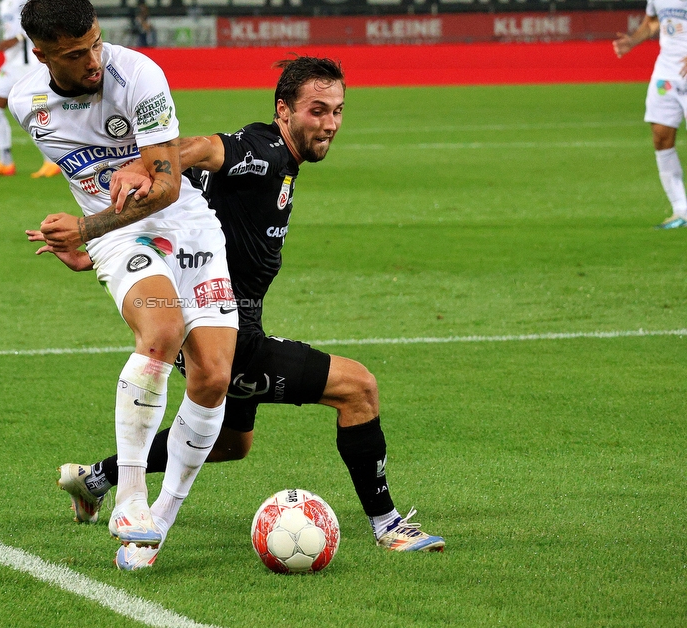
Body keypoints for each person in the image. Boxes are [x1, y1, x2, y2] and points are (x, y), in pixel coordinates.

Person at [49, 57, 445, 565]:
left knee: (233, 442)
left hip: (228, 322)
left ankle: (97, 479)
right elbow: (200, 148)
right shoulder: (263, 148)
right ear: (284, 110)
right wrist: (146, 166)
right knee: (359, 389)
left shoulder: (282, 161)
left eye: (338, 111)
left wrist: (109, 238)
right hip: (222, 328)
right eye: (317, 110)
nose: (329, 123)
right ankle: (390, 526)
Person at [8, 0, 237, 570]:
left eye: (94, 44)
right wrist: (88, 239)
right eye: (75, 55)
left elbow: (167, 185)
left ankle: (159, 518)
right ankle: (130, 499)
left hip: (186, 226)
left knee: (212, 377)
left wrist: (85, 229)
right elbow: (84, 181)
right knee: (160, 333)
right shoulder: (25, 105)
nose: (92, 62)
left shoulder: (139, 75)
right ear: (41, 53)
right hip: (119, 233)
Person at [614, 0, 687, 229]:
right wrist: (632, 41)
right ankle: (681, 211)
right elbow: (653, 21)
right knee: (660, 136)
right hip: (667, 71)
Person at [0, 0, 60, 179]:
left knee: (34, 112)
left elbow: (30, 27)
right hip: (11, 64)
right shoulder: (6, 0)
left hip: (27, 64)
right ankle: (5, 162)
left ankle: (51, 162)